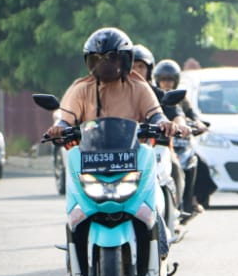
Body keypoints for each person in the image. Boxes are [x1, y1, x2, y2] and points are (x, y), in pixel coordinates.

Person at [47, 28, 176, 139]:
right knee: (73, 159)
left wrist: (163, 122)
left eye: (112, 58)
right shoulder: (81, 89)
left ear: (125, 59)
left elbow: (155, 115)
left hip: (133, 158)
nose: (104, 64)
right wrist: (59, 127)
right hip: (90, 157)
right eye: (97, 59)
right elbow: (66, 120)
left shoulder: (139, 87)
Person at [154, 59, 211, 218]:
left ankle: (190, 200)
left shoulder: (179, 98)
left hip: (177, 141)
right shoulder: (151, 95)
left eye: (170, 79)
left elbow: (185, 114)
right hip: (153, 142)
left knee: (199, 164)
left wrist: (194, 124)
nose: (166, 83)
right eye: (163, 79)